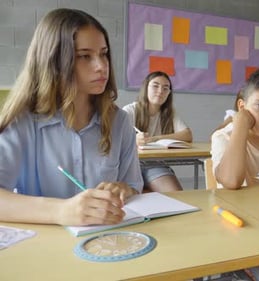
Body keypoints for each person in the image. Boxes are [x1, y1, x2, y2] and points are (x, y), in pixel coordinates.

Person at [0, 8, 143, 226]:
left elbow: (133, 185)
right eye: (85, 56)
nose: (101, 66)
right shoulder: (22, 120)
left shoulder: (120, 121)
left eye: (103, 54)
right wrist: (60, 212)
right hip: (43, 249)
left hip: (106, 242)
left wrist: (124, 189)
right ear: (53, 62)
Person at [123, 71, 192, 192]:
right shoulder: (130, 110)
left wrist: (155, 138)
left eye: (166, 88)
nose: (160, 91)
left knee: (177, 197)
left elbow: (187, 135)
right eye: (155, 86)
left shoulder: (169, 113)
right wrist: (133, 139)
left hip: (154, 164)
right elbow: (114, 139)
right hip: (129, 166)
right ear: (146, 88)